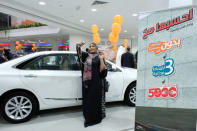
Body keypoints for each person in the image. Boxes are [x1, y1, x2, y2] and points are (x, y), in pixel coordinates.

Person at [76, 42, 107, 127]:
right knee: (87, 101)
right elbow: (79, 54)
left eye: (93, 46)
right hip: (87, 83)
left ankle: (95, 118)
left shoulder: (99, 56)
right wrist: (78, 45)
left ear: (96, 48)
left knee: (95, 101)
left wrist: (101, 59)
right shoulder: (86, 56)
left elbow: (103, 71)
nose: (91, 47)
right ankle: (88, 117)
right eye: (90, 46)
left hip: (96, 83)